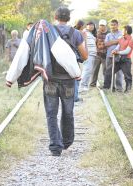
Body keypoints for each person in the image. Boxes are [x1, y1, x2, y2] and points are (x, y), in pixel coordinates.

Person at [44, 7, 88, 156]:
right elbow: (85, 56)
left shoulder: (47, 32)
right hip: (69, 79)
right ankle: (67, 141)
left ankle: (55, 147)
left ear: (55, 16)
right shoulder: (76, 33)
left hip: (50, 79)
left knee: (51, 113)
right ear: (69, 18)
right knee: (68, 112)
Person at [104, 25, 133, 93]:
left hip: (126, 60)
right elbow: (118, 46)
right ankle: (106, 87)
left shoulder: (131, 40)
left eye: (123, 30)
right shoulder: (121, 38)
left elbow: (127, 51)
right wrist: (115, 50)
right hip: (118, 59)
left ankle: (128, 90)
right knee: (109, 71)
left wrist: (118, 52)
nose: (122, 31)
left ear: (126, 31)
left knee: (127, 76)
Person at [103, 19, 124, 91]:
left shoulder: (121, 34)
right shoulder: (108, 35)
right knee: (109, 71)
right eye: (111, 25)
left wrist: (111, 42)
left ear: (117, 25)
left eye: (114, 25)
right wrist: (116, 41)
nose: (113, 26)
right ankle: (111, 87)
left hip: (118, 55)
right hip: (109, 55)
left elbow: (122, 43)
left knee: (118, 72)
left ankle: (119, 88)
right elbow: (106, 44)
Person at [90, 19, 108, 87]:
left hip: (105, 55)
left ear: (105, 26)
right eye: (100, 25)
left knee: (105, 71)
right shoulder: (96, 33)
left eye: (103, 25)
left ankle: (106, 84)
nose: (102, 27)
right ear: (99, 26)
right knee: (95, 70)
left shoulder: (108, 33)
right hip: (97, 54)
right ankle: (92, 83)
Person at [80, 21, 97, 92]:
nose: (91, 26)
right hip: (88, 53)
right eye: (89, 25)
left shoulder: (91, 34)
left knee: (88, 70)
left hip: (92, 54)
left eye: (92, 25)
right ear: (86, 26)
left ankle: (84, 85)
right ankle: (82, 85)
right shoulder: (84, 32)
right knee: (87, 69)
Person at [73, 20, 86, 102]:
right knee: (77, 77)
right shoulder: (79, 33)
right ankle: (75, 96)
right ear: (81, 25)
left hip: (72, 57)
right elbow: (82, 47)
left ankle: (74, 95)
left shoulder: (72, 31)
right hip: (77, 57)